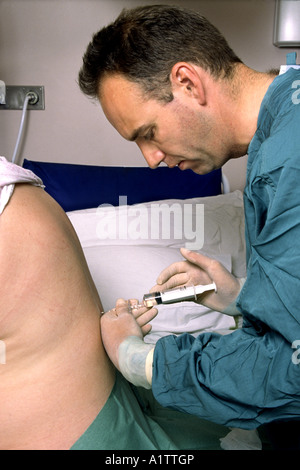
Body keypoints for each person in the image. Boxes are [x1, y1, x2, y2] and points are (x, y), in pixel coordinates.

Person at [78, 5, 300, 448]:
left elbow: (289, 370)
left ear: (187, 82)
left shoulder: (288, 159)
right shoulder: (282, 123)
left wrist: (136, 358)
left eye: (148, 132)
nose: (151, 158)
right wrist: (244, 296)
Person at [0, 156, 235, 450]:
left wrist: (132, 354)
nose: (153, 158)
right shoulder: (20, 192)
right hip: (113, 410)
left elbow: (281, 375)